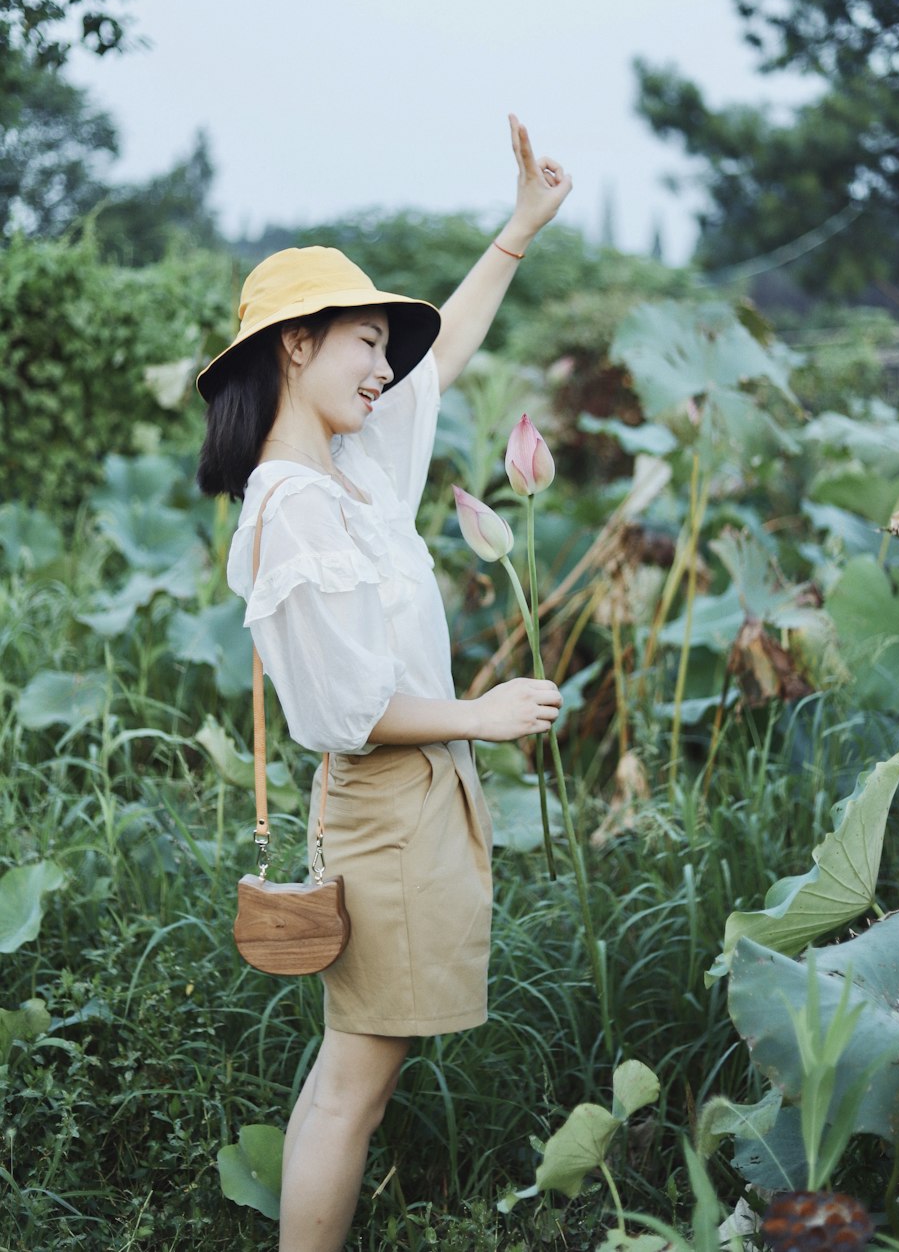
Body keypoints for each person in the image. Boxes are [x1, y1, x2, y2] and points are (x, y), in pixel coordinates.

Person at [196, 115, 571, 1252]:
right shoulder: (294, 506)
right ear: (294, 348)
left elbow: (441, 353)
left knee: (352, 1075)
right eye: (363, 341)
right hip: (386, 813)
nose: (384, 365)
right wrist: (483, 716)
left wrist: (517, 227)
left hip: (413, 812)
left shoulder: (349, 475)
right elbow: (347, 714)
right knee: (354, 1088)